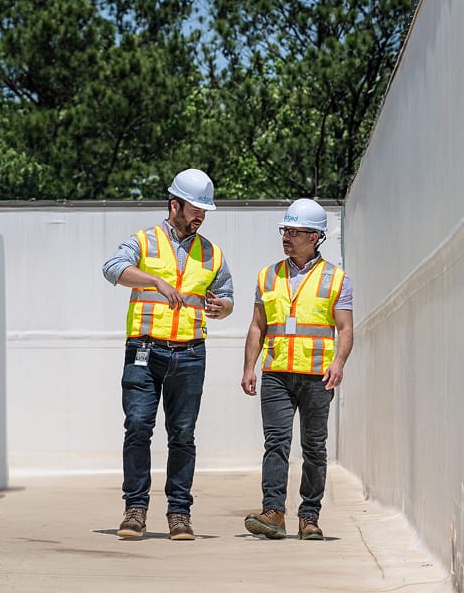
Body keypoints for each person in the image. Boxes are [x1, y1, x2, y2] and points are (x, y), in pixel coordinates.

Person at [102, 168, 234, 541]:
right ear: (174, 205)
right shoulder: (143, 241)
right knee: (139, 427)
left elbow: (227, 296)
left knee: (182, 435)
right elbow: (112, 268)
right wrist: (155, 280)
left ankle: (179, 513)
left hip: (190, 354)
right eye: (195, 210)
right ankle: (135, 509)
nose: (200, 217)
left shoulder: (212, 252)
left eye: (204, 212)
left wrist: (223, 307)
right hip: (144, 351)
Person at [241, 198, 354, 541]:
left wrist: (339, 363)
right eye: (285, 230)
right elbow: (257, 326)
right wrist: (250, 367)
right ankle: (273, 512)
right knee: (276, 442)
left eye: (295, 231)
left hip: (318, 375)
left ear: (315, 236)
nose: (286, 237)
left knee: (314, 446)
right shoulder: (267, 275)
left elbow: (345, 328)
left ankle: (309, 517)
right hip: (276, 372)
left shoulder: (336, 279)